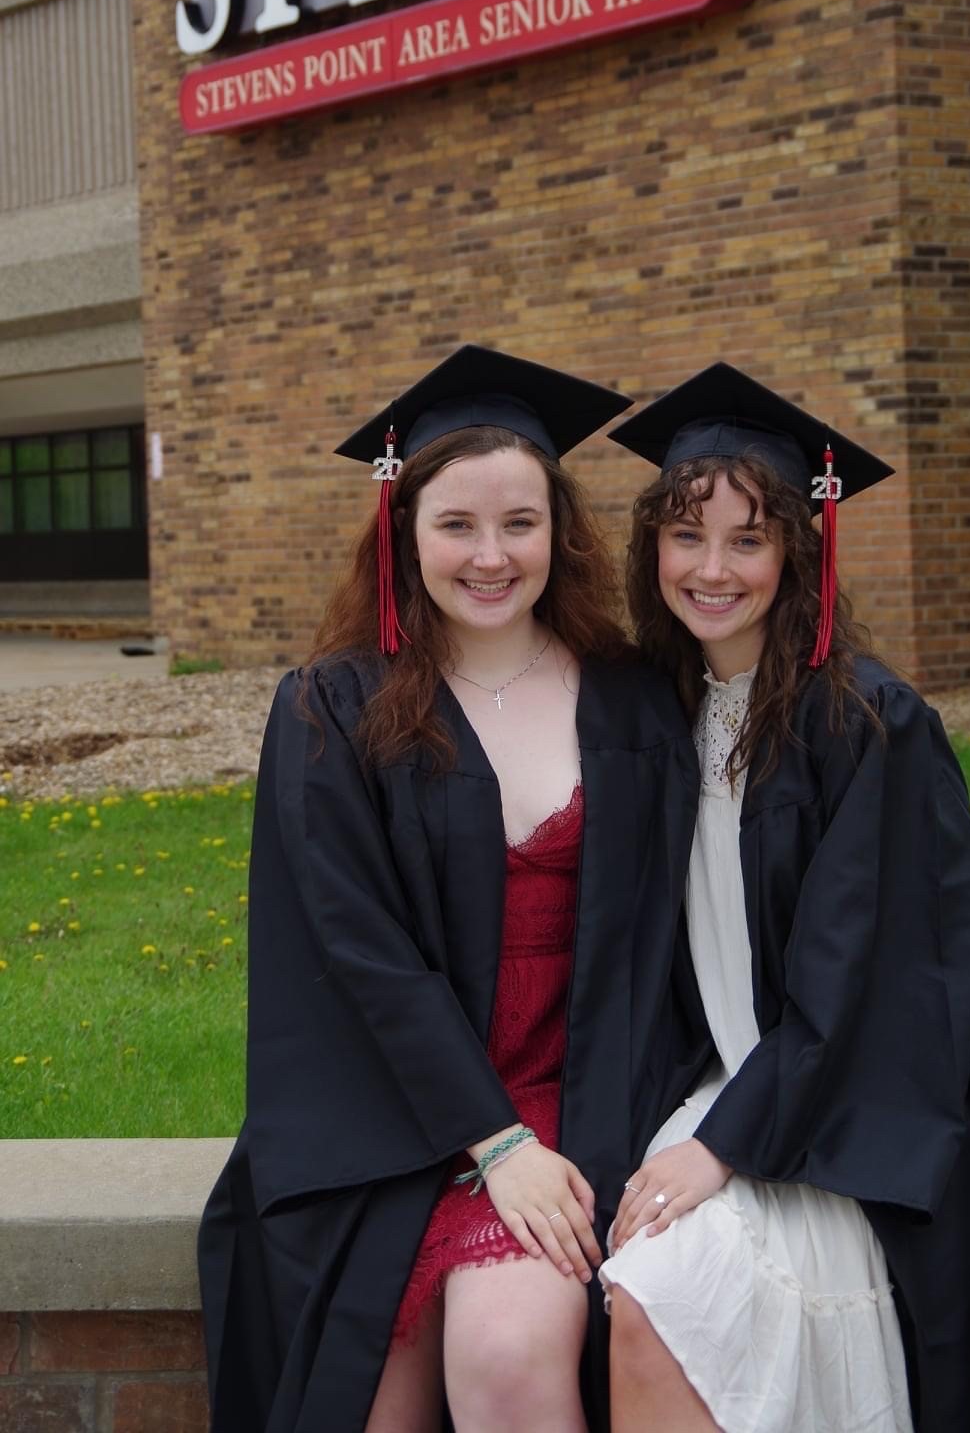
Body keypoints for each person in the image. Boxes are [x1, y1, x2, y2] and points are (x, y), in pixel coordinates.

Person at [599, 363, 970, 1433]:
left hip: (856, 1115)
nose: (711, 568)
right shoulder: (662, 709)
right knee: (623, 1283)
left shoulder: (866, 726)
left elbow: (868, 988)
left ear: (800, 548)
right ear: (650, 543)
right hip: (739, 1083)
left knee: (658, 1291)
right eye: (687, 535)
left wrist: (722, 1144)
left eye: (748, 539)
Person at [197, 346, 700, 1433]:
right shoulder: (334, 707)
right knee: (365, 1399)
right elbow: (355, 949)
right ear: (402, 530)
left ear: (559, 531)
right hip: (394, 1110)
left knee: (508, 1357)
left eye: (518, 522)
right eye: (455, 525)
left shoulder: (633, 700)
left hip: (584, 1092)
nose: (489, 555)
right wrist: (492, 1143)